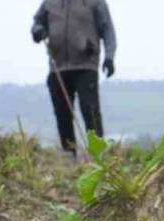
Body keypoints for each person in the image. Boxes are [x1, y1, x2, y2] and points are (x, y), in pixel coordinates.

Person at [31, 0, 118, 155]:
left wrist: (109, 57)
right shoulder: (49, 3)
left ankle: (98, 156)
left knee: (90, 112)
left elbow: (108, 31)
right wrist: (37, 30)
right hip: (58, 68)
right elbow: (37, 23)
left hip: (86, 66)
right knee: (62, 115)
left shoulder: (96, 2)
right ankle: (68, 157)